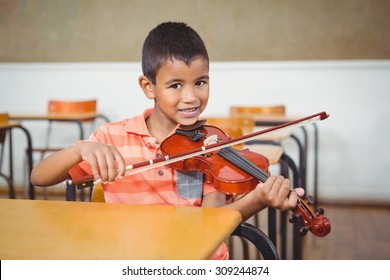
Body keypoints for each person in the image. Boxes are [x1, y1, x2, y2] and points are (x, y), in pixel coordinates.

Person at [30, 21, 304, 260]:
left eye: (200, 82)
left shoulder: (211, 147)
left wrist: (258, 198)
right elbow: (39, 177)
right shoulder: (111, 138)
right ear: (149, 87)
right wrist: (81, 149)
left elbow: (212, 223)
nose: (191, 97)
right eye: (176, 85)